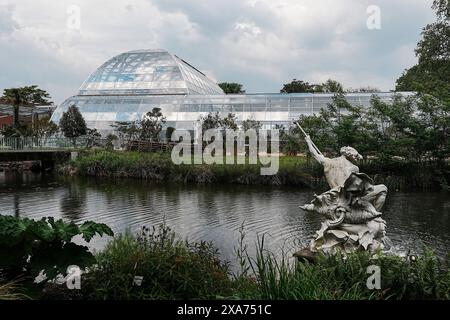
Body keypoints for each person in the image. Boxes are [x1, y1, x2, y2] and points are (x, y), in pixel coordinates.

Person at [305, 135, 387, 211]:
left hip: (335, 197)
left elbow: (314, 154)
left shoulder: (329, 162)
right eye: (356, 156)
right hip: (349, 200)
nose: (357, 158)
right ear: (350, 154)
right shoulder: (354, 168)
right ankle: (375, 214)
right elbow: (356, 188)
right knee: (383, 188)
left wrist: (309, 142)